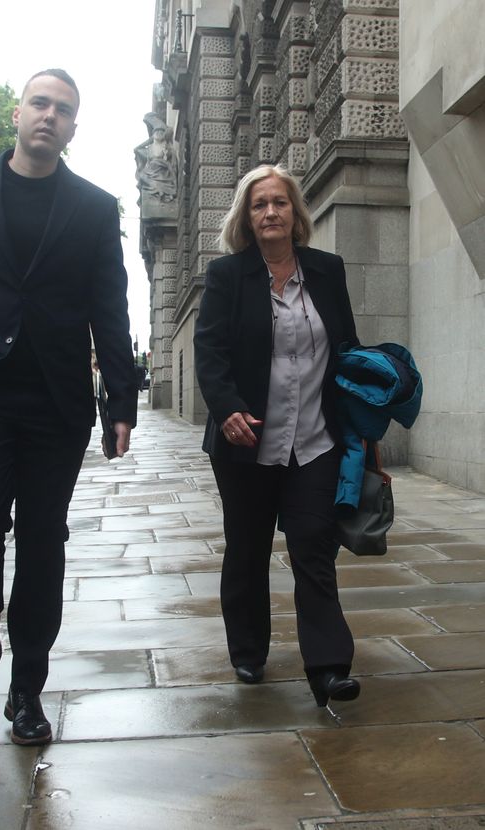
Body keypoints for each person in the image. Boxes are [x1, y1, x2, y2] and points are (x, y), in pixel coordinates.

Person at [0, 68, 138, 745]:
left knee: (44, 543)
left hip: (54, 400)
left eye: (63, 109)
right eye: (40, 103)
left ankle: (28, 691)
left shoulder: (96, 209)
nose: (49, 116)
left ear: (73, 126)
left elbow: (109, 307)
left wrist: (120, 400)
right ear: (17, 114)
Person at [193, 164, 361, 708]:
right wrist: (227, 409)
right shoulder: (227, 276)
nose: (270, 212)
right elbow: (210, 353)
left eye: (279, 203)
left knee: (314, 545)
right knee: (247, 548)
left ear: (296, 212)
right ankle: (248, 650)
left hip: (314, 438)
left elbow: (347, 348)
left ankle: (330, 667)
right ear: (246, 217)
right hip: (248, 442)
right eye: (259, 204)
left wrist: (372, 399)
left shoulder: (327, 271)